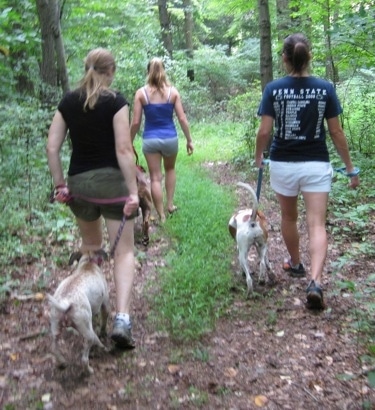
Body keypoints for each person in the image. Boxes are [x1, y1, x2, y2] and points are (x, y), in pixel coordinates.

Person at [255, 33, 360, 310]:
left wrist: (258, 158)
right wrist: (350, 168)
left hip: (282, 164)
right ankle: (315, 281)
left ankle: (296, 263)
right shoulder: (324, 88)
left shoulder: (273, 89)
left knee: (289, 217)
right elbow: (336, 131)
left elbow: (265, 131)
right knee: (316, 223)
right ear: (309, 56)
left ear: (285, 58)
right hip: (316, 163)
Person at [46, 48, 139, 348]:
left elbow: (52, 147)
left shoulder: (68, 102)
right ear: (110, 71)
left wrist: (60, 185)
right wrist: (134, 192)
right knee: (123, 253)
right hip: (112, 184)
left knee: (91, 250)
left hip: (80, 186)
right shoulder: (116, 102)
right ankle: (121, 318)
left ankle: (83, 306)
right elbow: (124, 150)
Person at [130, 57, 194, 223]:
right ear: (163, 70)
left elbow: (136, 122)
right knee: (170, 169)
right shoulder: (173, 92)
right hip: (170, 138)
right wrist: (189, 140)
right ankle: (170, 205)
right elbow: (182, 118)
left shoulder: (141, 93)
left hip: (150, 140)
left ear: (148, 71)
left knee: (155, 177)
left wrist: (128, 142)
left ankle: (161, 215)